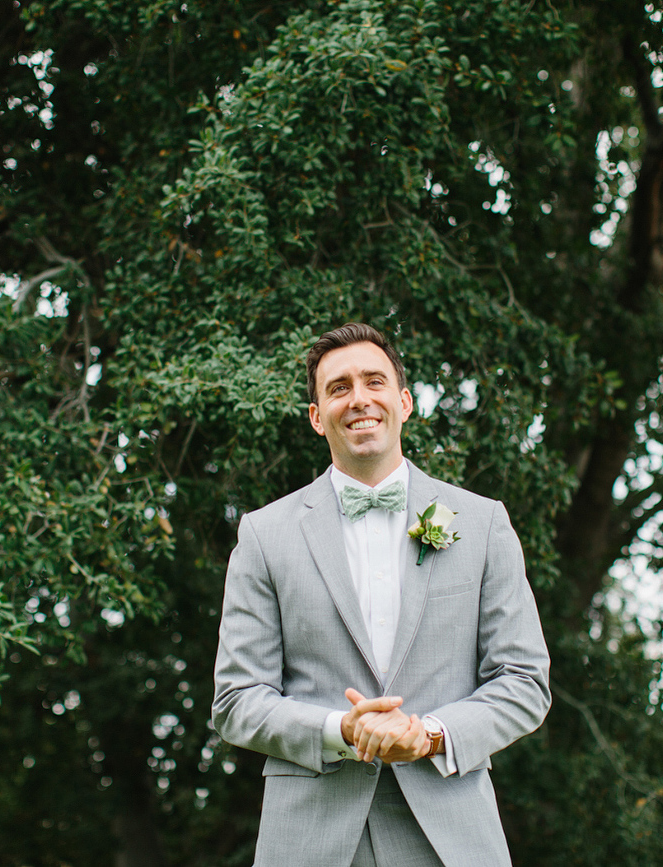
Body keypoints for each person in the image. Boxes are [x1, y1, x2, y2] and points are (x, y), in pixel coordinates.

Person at [212, 323, 550, 867]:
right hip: (309, 841)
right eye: (338, 387)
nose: (359, 398)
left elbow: (525, 681)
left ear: (405, 401)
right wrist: (338, 731)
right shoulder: (263, 535)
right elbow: (236, 701)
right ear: (317, 416)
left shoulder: (482, 522)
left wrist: (430, 735)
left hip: (451, 839)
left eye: (374, 381)